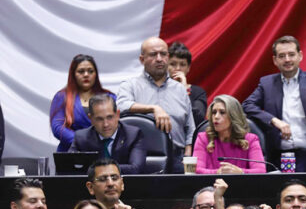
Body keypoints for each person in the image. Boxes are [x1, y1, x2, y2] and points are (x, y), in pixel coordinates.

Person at [243, 36, 306, 171]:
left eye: (291, 54)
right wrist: (274, 121)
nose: (287, 59)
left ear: (300, 56)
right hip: (280, 157)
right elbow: (247, 105)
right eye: (282, 56)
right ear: (275, 60)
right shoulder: (267, 83)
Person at [117, 37, 195, 171]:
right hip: (140, 159)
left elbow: (190, 128)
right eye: (153, 54)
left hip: (178, 158)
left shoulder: (180, 89)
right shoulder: (130, 85)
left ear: (168, 57)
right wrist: (153, 108)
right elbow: (121, 106)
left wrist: (187, 155)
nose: (159, 59)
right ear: (142, 59)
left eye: (163, 54)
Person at [50, 54, 114, 152]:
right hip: (71, 153)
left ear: (96, 74)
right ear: (73, 74)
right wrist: (83, 142)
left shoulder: (110, 97)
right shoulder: (62, 97)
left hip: (103, 153)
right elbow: (58, 128)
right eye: (81, 71)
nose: (86, 75)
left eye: (90, 71)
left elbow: (117, 126)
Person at [71, 94, 146, 174]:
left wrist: (98, 169)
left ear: (117, 115)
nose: (105, 124)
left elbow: (135, 169)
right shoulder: (81, 138)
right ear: (91, 119)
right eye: (99, 119)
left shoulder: (133, 135)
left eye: (110, 117)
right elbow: (69, 168)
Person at [193, 95, 265, 174]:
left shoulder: (251, 139)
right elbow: (196, 170)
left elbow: (261, 171)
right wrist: (218, 172)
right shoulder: (203, 138)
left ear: (233, 116)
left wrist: (240, 172)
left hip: (242, 182)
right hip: (211, 182)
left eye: (222, 112)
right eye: (214, 112)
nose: (216, 117)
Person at [168, 41, 208, 126]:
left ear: (188, 68)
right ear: (166, 66)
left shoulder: (198, 92)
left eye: (182, 65)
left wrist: (185, 90)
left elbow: (198, 119)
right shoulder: (159, 88)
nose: (178, 68)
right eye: (173, 64)